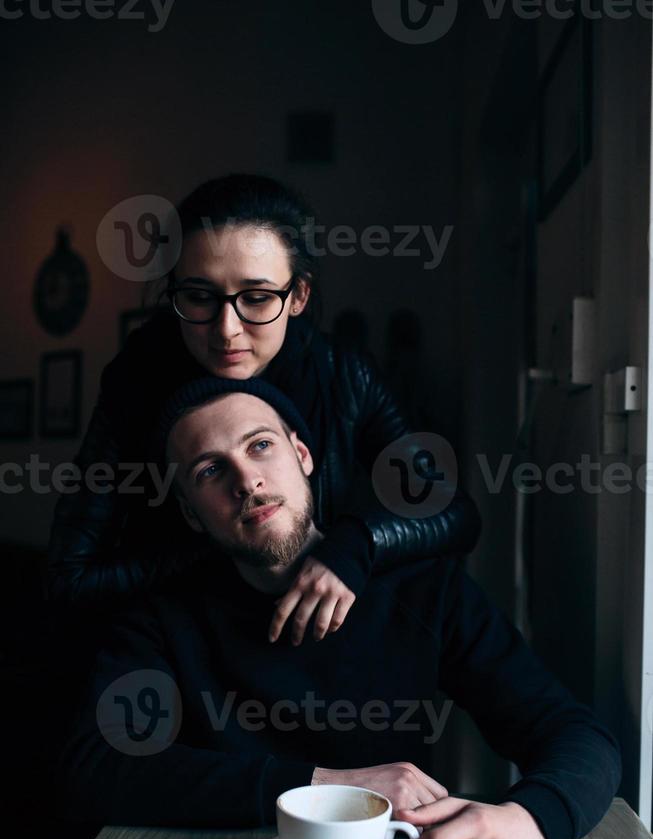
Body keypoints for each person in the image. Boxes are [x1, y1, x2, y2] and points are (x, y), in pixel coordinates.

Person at [56, 379, 621, 839]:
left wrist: (530, 826)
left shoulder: (427, 591)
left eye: (260, 445)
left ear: (302, 454)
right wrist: (324, 786)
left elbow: (577, 737)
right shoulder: (160, 613)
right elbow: (97, 764)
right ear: (189, 511)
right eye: (209, 470)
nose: (246, 480)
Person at [46, 173, 480, 644]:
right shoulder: (136, 378)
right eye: (198, 296)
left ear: (298, 296)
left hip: (317, 645)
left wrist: (357, 544)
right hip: (185, 650)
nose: (226, 329)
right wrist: (228, 544)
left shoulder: (344, 376)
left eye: (256, 298)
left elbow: (454, 511)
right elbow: (70, 579)